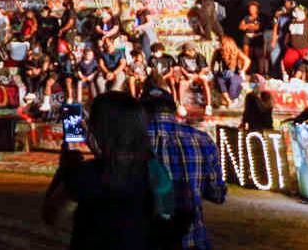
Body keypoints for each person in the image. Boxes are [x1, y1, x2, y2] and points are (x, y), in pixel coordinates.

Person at [43, 92, 171, 250]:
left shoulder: (88, 174)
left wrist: (64, 172)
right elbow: (167, 214)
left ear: (100, 129)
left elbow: (52, 216)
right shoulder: (154, 169)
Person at [143, 86, 227, 250]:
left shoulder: (132, 141)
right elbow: (217, 193)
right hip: (191, 239)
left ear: (142, 112)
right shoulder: (202, 139)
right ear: (174, 109)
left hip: (147, 239)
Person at [281, 5, 308, 76]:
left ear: (303, 12)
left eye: (297, 11)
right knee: (287, 61)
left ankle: (307, 77)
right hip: (294, 49)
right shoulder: (291, 22)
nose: (295, 13)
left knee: (307, 63)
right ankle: (288, 76)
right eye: (294, 11)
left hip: (307, 48)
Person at [175, 42, 215, 117]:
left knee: (204, 81)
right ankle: (180, 105)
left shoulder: (200, 56)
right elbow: (182, 68)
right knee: (182, 83)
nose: (184, 52)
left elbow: (203, 69)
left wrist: (195, 77)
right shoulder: (181, 56)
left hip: (199, 74)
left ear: (191, 50)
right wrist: (187, 75)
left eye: (185, 50)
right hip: (188, 75)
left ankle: (208, 105)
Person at [210, 36, 249, 108]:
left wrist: (242, 70)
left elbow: (247, 60)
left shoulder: (236, 51)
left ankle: (229, 100)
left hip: (235, 74)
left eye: (222, 44)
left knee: (233, 82)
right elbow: (212, 63)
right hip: (221, 74)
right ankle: (228, 100)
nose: (220, 46)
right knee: (220, 81)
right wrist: (212, 72)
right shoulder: (217, 52)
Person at [237, 1, 267, 78]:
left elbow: (258, 27)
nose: (251, 10)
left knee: (259, 56)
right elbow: (241, 27)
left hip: (257, 37)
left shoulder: (260, 17)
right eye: (250, 8)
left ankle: (261, 73)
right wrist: (250, 25)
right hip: (247, 37)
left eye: (253, 8)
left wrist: (247, 26)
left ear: (257, 9)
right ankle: (246, 71)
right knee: (246, 54)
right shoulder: (246, 18)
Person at [269, 0, 298, 78]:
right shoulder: (281, 13)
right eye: (285, 2)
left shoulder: (295, 13)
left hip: (290, 39)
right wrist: (274, 39)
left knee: (288, 58)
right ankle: (276, 75)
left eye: (288, 2)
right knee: (274, 54)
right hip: (280, 38)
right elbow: (275, 26)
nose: (286, 3)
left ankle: (290, 75)